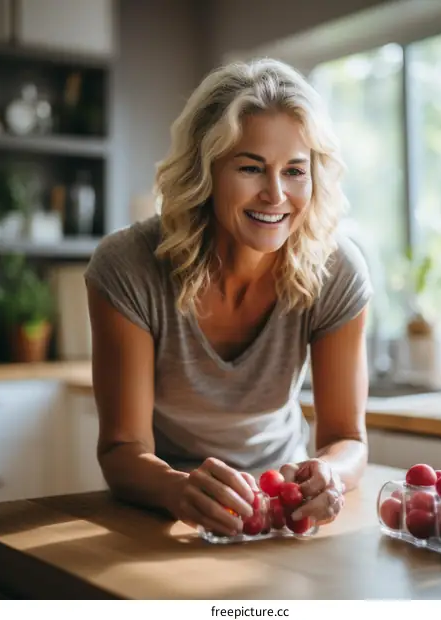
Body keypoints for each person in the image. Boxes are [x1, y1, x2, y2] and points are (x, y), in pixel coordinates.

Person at [84, 58, 373, 538]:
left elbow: (347, 439)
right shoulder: (129, 266)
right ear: (205, 170)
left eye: (295, 171)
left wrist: (331, 477)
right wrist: (178, 490)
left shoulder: (336, 270)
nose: (276, 194)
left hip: (285, 510)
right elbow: (121, 450)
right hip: (167, 507)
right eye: (251, 167)